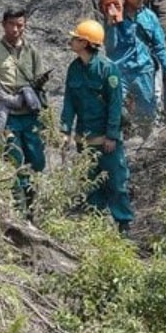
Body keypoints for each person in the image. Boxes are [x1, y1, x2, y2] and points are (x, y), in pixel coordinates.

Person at [60, 19, 135, 234]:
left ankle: (124, 225)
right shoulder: (74, 69)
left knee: (116, 182)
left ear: (85, 43)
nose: (72, 41)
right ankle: (94, 225)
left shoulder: (108, 69)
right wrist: (65, 130)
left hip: (106, 140)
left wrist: (112, 135)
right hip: (85, 139)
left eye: (76, 38)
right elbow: (69, 102)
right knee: (90, 182)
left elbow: (115, 105)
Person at [0, 7, 47, 216]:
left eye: (20, 25)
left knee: (37, 161)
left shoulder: (31, 51)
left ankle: (33, 206)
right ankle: (20, 209)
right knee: (14, 161)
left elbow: (39, 82)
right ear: (3, 24)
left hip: (30, 116)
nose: (15, 29)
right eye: (11, 24)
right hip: (7, 117)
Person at [103, 0, 166, 137]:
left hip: (143, 69)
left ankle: (145, 142)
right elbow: (110, 47)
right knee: (116, 107)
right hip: (120, 70)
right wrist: (112, 23)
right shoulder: (114, 15)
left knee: (147, 112)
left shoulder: (149, 16)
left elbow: (160, 45)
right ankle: (124, 137)